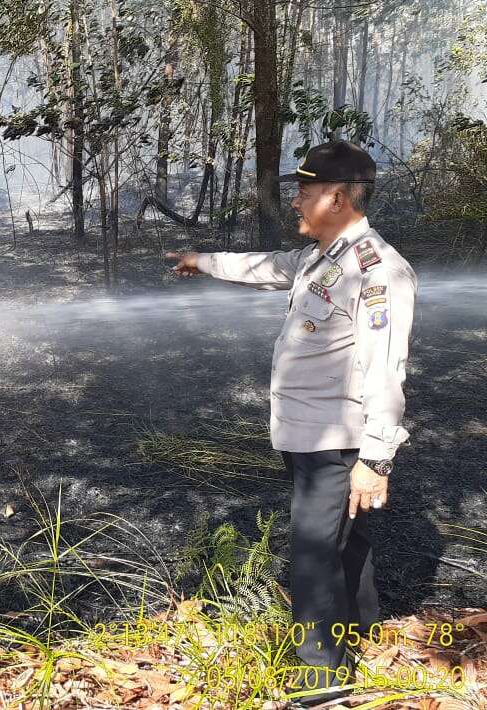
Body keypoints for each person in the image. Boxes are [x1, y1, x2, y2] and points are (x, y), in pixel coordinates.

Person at [166, 140, 418, 702]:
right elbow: (265, 267)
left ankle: (321, 677)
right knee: (345, 542)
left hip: (339, 442)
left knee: (311, 551)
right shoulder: (321, 257)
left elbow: (386, 373)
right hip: (305, 436)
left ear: (337, 196)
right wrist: (200, 260)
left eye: (304, 193)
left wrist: (375, 461)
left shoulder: (377, 273)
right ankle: (359, 630)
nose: (297, 203)